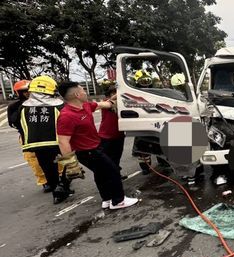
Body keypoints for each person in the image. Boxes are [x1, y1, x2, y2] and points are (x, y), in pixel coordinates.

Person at [57, 81, 138, 210]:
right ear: (77, 94)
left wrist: (122, 92)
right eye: (83, 90)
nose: (85, 92)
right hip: (87, 152)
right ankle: (118, 201)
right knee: (113, 171)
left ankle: (107, 199)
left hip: (96, 147)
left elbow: (106, 103)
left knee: (101, 174)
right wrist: (71, 164)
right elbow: (63, 141)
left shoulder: (86, 106)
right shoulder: (67, 116)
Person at [20, 76, 73, 204]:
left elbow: (17, 123)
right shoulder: (59, 105)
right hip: (56, 142)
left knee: (48, 170)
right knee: (67, 164)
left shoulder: (24, 107)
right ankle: (63, 187)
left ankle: (57, 193)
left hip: (35, 144)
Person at [8, 79, 51, 192]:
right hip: (27, 137)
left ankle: (60, 176)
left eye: (29, 90)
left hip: (46, 135)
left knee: (54, 157)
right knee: (34, 161)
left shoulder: (44, 103)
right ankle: (44, 181)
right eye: (24, 91)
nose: (28, 93)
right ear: (18, 93)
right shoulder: (14, 106)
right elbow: (13, 122)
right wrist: (24, 107)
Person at [98, 82, 126, 176]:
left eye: (116, 92)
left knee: (116, 157)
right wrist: (121, 93)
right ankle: (109, 176)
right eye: (113, 93)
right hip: (106, 137)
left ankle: (116, 174)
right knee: (107, 159)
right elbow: (109, 102)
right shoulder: (107, 102)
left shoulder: (122, 104)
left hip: (119, 136)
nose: (115, 95)